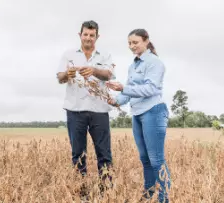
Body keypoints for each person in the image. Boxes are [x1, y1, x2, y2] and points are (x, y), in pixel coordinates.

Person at [106, 29, 171, 203]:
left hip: (153, 112)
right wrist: (115, 101)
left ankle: (164, 198)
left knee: (157, 159)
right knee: (145, 158)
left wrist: (123, 88)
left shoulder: (155, 63)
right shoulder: (133, 65)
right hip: (137, 114)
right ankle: (148, 194)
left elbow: (150, 89)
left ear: (146, 41)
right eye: (129, 43)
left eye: (135, 42)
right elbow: (129, 93)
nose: (132, 46)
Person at [56, 20, 116, 181]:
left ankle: (106, 192)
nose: (88, 38)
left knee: (104, 153)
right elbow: (59, 77)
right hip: (75, 110)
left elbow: (109, 75)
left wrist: (94, 70)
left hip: (100, 111)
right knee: (78, 154)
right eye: (85, 34)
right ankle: (81, 192)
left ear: (97, 36)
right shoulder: (68, 54)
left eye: (92, 35)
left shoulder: (105, 55)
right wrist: (67, 74)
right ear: (80, 35)